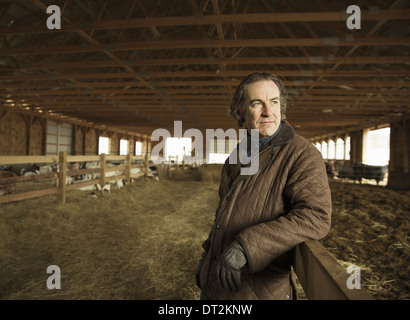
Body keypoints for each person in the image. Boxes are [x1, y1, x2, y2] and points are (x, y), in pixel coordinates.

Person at [196, 72, 332, 300]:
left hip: (260, 290)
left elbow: (316, 216)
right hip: (219, 285)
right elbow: (224, 213)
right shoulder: (236, 156)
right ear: (241, 111)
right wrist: (207, 258)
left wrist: (246, 247)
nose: (268, 112)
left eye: (274, 102)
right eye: (257, 103)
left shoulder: (301, 154)